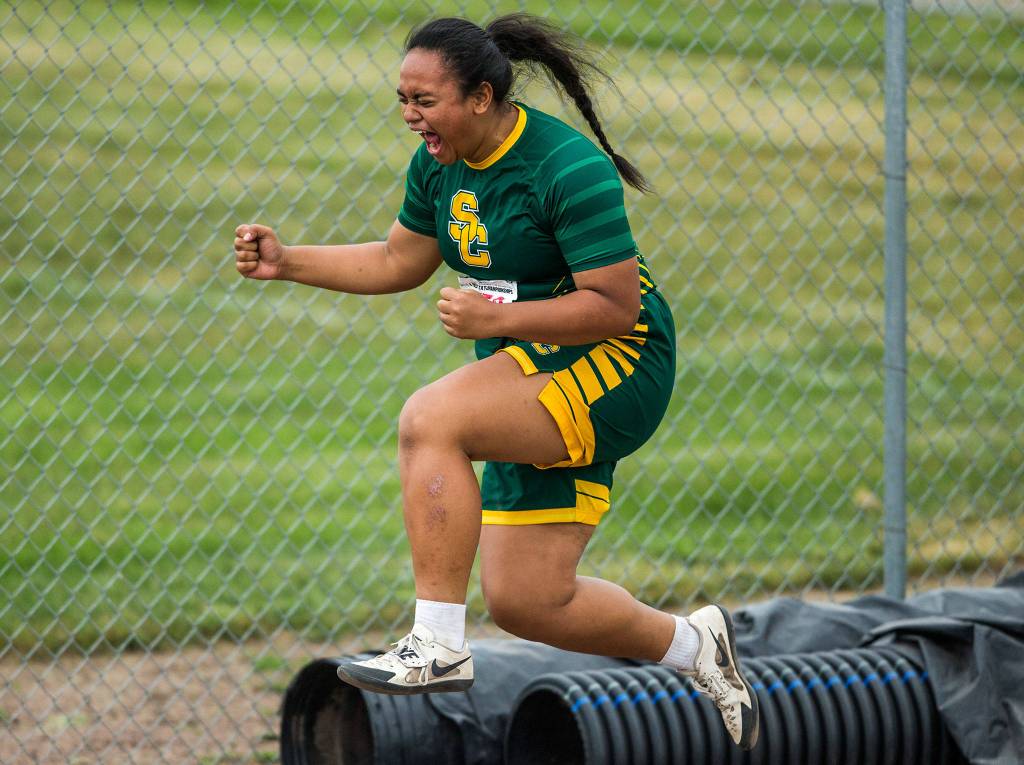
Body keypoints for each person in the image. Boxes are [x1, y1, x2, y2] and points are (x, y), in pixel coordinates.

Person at [234, 14, 758, 750]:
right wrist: (288, 261)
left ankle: (436, 643)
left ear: (482, 97)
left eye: (426, 100)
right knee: (527, 599)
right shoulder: (438, 163)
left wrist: (493, 319)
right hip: (534, 365)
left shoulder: (564, 167)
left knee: (430, 420)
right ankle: (693, 646)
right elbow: (397, 260)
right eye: (403, 100)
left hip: (619, 361)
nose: (412, 117)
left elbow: (615, 306)